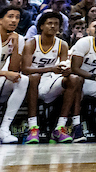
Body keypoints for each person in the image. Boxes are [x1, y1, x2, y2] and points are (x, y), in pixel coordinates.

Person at [20, 11, 70, 143]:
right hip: (30, 84)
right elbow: (25, 69)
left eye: (56, 24)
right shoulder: (31, 43)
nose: (53, 26)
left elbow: (62, 68)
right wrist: (51, 68)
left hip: (50, 81)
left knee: (73, 80)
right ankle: (33, 127)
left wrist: (65, 71)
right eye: (49, 23)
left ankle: (60, 127)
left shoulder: (62, 45)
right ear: (41, 26)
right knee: (34, 76)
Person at [0, 5, 27, 143]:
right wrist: (4, 73)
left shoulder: (18, 38)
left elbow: (14, 70)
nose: (14, 20)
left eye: (17, 18)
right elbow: (8, 72)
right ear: (0, 20)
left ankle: (4, 129)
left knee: (23, 80)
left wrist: (16, 46)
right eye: (10, 16)